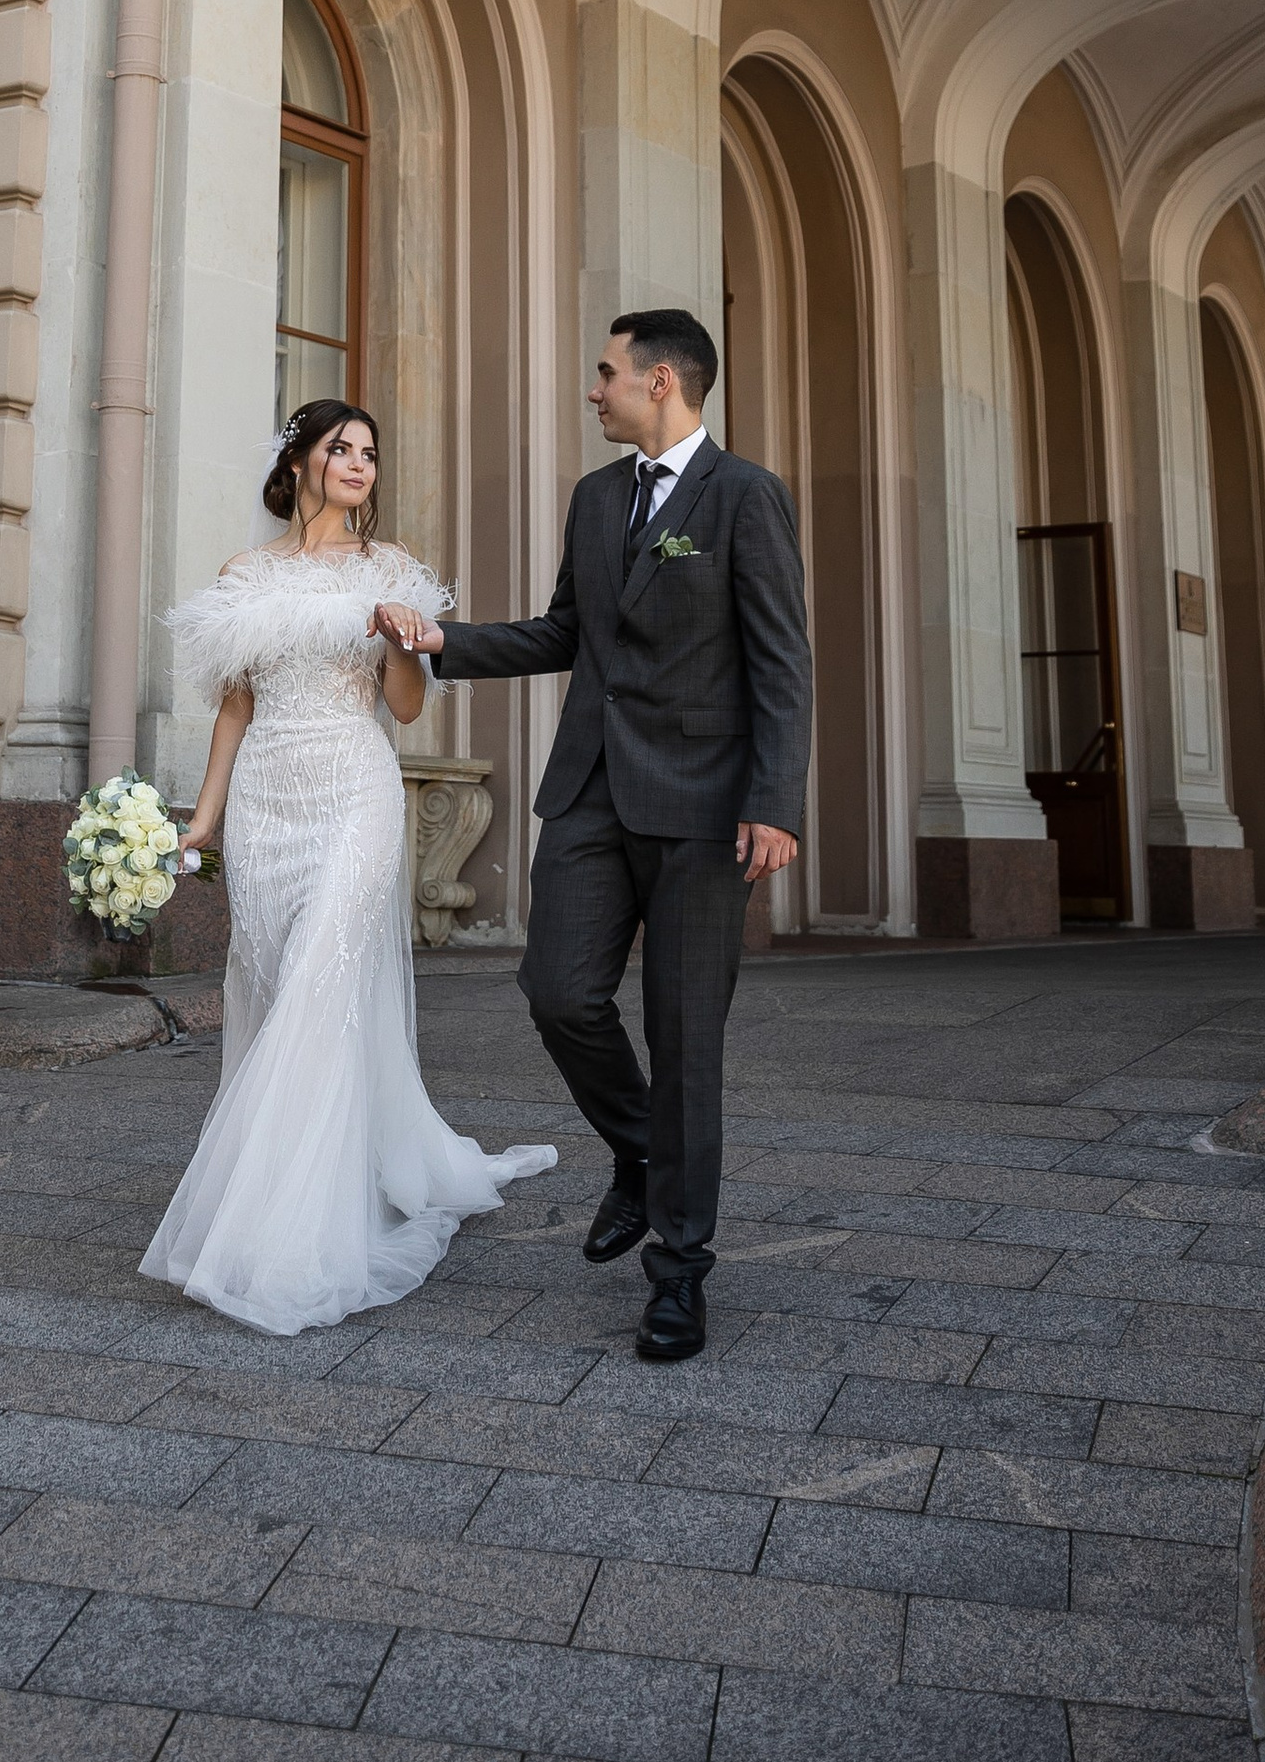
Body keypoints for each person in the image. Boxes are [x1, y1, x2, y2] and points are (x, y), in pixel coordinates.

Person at [373, 311, 810, 1366]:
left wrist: (776, 801)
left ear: (660, 381)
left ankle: (678, 1275)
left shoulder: (743, 497)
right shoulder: (596, 498)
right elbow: (567, 632)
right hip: (590, 796)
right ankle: (641, 1146)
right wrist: (443, 641)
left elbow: (781, 660)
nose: (594, 389)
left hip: (707, 813)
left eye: (606, 373)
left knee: (685, 1037)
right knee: (558, 992)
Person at [140, 400, 557, 1335]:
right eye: (342, 448)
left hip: (355, 793)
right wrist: (202, 821)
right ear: (299, 464)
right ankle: (300, 1178)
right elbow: (235, 710)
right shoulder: (244, 576)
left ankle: (292, 1229)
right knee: (282, 984)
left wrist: (404, 635)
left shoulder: (391, 570)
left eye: (370, 452)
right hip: (267, 803)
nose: (360, 463)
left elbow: (405, 711)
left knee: (321, 986)